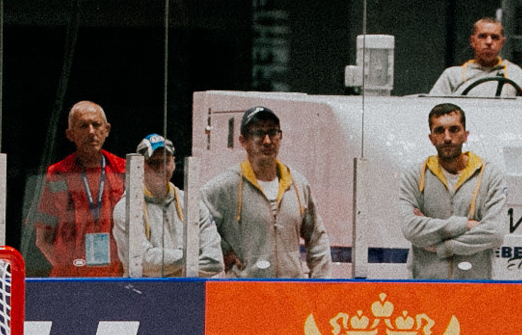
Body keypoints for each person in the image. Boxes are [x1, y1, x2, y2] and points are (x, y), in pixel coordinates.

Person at [199, 105, 326, 277]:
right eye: (258, 133)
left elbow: (317, 238)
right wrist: (221, 250)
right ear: (243, 141)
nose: (267, 141)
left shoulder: (298, 184)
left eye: (273, 133)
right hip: (246, 295)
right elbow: (193, 222)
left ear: (280, 137)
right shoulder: (225, 186)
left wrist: (320, 285)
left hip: (291, 294)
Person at [402, 102, 508, 280]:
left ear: (466, 135)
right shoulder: (415, 175)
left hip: (475, 290)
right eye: (439, 131)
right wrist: (465, 225)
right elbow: (411, 228)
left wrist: (443, 248)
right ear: (431, 138)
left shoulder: (490, 175)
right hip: (426, 289)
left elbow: (494, 233)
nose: (447, 137)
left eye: (454, 129)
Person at [32, 100, 127, 277]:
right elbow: (42, 239)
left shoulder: (124, 170)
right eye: (83, 126)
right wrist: (67, 271)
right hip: (70, 280)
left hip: (116, 278)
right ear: (70, 134)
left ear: (106, 129)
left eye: (96, 124)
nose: (91, 132)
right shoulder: (57, 174)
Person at [129, 133, 206, 276]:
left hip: (189, 292)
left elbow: (214, 260)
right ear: (140, 166)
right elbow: (143, 262)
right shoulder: (128, 207)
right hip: (146, 293)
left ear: (174, 162)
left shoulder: (193, 203)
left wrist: (167, 263)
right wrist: (191, 257)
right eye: (153, 162)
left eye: (165, 161)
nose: (161, 168)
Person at [427, 17, 522, 99]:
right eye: (483, 36)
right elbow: (434, 110)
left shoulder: (515, 73)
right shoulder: (452, 75)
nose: (489, 42)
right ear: (472, 41)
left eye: (495, 37)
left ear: (502, 43)